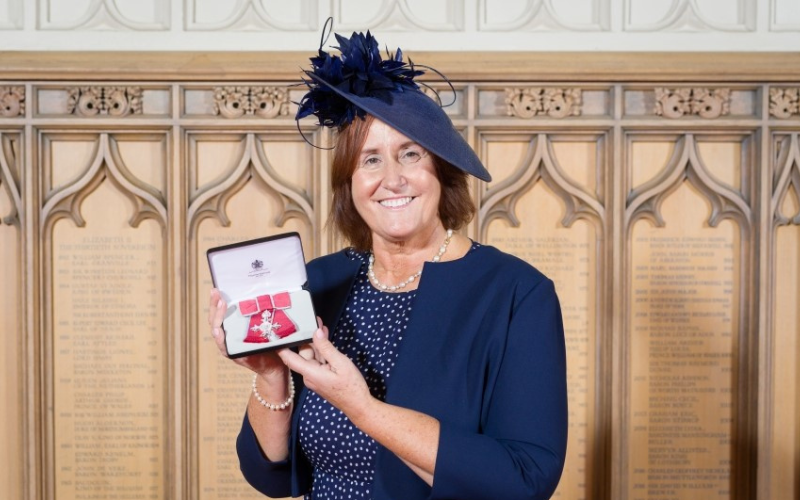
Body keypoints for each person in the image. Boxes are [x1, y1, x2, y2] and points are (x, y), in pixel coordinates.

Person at [207, 21, 567, 500]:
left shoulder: (516, 294)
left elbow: (524, 479)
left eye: (410, 154)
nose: (391, 179)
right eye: (370, 160)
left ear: (442, 171)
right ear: (350, 184)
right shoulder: (321, 282)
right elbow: (272, 474)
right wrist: (272, 374)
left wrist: (363, 409)